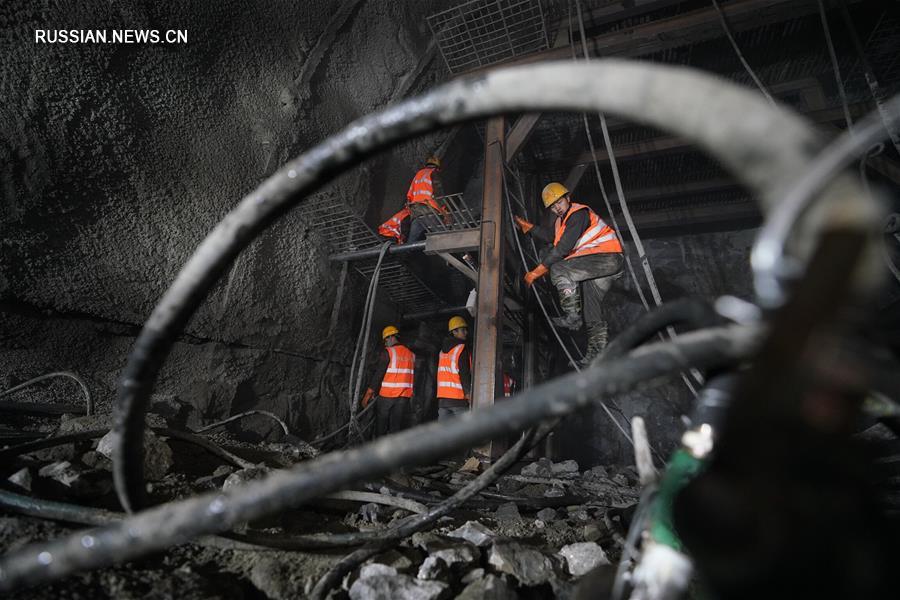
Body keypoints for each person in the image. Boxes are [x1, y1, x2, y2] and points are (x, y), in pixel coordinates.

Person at [515, 182, 624, 364]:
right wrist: (530, 228)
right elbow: (553, 237)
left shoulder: (578, 214)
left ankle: (572, 318)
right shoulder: (561, 222)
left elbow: (562, 248)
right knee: (592, 312)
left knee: (558, 268)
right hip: (597, 267)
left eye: (559, 202)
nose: (557, 208)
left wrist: (537, 271)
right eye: (552, 206)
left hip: (606, 258)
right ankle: (597, 356)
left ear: (568, 198)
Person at [361, 325, 415, 437]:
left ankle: (379, 449)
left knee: (381, 426)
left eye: (385, 340)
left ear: (391, 337)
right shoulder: (411, 354)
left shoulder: (389, 352)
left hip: (387, 396)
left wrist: (368, 394)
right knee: (395, 426)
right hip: (403, 397)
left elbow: (379, 374)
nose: (385, 343)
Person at [406, 156, 450, 243]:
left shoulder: (418, 175)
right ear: (437, 168)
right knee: (444, 239)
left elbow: (409, 196)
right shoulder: (433, 174)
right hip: (429, 211)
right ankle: (464, 256)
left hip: (416, 212)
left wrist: (411, 211)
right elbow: (439, 196)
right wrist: (445, 214)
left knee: (410, 243)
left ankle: (402, 254)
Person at [436, 316, 472, 421]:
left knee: (444, 432)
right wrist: (468, 393)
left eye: (465, 330)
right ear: (454, 332)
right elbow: (464, 373)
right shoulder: (461, 349)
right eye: (462, 330)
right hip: (458, 399)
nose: (466, 332)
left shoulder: (442, 351)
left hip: (443, 399)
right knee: (464, 432)